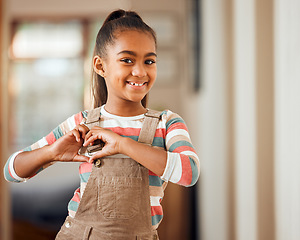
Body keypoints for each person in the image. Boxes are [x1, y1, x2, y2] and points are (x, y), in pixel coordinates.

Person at [4, 9, 200, 239]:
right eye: (127, 60)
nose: (140, 71)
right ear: (100, 66)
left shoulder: (167, 123)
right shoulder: (83, 122)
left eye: (149, 61)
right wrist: (52, 152)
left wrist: (122, 144)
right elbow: (11, 171)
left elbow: (190, 172)